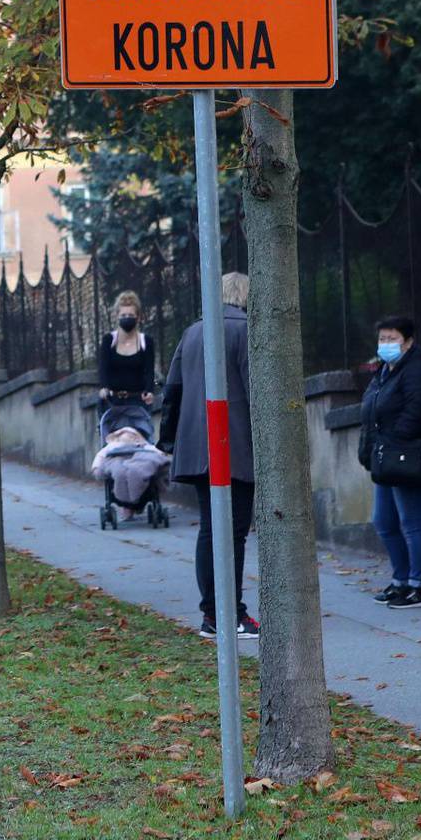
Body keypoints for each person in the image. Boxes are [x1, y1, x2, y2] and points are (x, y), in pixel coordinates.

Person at [157, 272, 258, 640]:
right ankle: (230, 613)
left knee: (210, 531)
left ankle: (212, 613)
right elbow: (254, 391)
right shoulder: (246, 330)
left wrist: (168, 440)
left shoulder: (194, 331)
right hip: (236, 447)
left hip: (197, 446)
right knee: (233, 534)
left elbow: (173, 390)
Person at [360, 314, 421, 610]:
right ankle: (400, 580)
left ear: (408, 341)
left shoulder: (417, 367)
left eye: (392, 339)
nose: (386, 344)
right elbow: (372, 409)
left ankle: (418, 587)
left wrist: (393, 441)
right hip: (385, 457)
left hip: (405, 455)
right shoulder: (384, 369)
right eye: (382, 339)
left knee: (411, 521)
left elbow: (417, 410)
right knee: (384, 521)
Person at [96, 291, 156, 440]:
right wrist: (104, 387)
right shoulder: (109, 340)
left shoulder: (145, 342)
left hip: (138, 402)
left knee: (141, 441)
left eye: (130, 315)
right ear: (117, 316)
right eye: (123, 315)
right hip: (112, 401)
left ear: (138, 317)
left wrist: (149, 390)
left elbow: (149, 369)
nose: (126, 319)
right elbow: (103, 367)